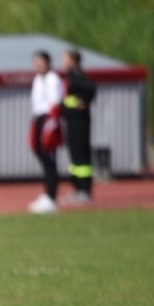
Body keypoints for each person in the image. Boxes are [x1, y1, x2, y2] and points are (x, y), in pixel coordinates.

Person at [28, 50, 64, 214]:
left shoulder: (52, 79)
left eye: (40, 62)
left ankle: (51, 197)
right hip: (39, 119)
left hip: (49, 119)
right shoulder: (37, 79)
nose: (37, 65)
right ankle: (47, 194)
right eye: (35, 62)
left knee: (49, 159)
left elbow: (55, 103)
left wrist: (50, 128)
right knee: (41, 156)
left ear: (48, 63)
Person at [60, 50, 96, 205]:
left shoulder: (76, 74)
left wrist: (84, 101)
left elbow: (90, 88)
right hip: (72, 120)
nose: (63, 62)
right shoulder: (71, 75)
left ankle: (84, 191)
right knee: (75, 156)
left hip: (79, 121)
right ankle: (78, 189)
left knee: (80, 155)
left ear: (73, 61)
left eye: (65, 59)